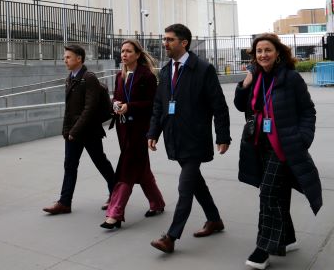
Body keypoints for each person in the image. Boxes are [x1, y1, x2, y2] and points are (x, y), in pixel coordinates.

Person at [234, 33, 322, 269]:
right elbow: (241, 105)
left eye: (267, 50)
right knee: (277, 193)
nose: (263, 55)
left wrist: (302, 139)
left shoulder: (291, 78)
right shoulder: (255, 77)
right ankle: (287, 238)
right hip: (258, 144)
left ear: (278, 53)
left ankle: (263, 248)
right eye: (259, 51)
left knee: (268, 196)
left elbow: (308, 111)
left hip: (283, 146)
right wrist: (244, 84)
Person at [148, 23, 231, 253]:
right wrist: (153, 132)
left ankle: (171, 237)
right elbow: (159, 105)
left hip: (195, 138)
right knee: (196, 183)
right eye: (164, 39)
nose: (165, 43)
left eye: (169, 39)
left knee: (185, 187)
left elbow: (219, 105)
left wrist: (223, 135)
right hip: (175, 137)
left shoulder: (203, 69)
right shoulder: (165, 71)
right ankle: (214, 220)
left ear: (183, 43)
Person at [100, 39, 165, 229]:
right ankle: (157, 203)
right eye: (122, 51)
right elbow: (118, 96)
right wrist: (116, 104)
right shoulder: (120, 75)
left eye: (128, 51)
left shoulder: (147, 76)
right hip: (123, 129)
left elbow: (153, 104)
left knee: (126, 168)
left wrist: (130, 106)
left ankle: (115, 213)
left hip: (140, 130)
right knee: (141, 169)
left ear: (137, 54)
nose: (124, 54)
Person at [43, 44, 115, 215]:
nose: (65, 60)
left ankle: (116, 194)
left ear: (79, 59)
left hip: (89, 132)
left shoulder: (88, 78)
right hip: (74, 132)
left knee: (100, 162)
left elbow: (90, 108)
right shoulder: (70, 78)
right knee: (70, 165)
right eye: (64, 57)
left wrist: (75, 131)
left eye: (68, 57)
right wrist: (66, 130)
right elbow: (69, 109)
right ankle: (64, 202)